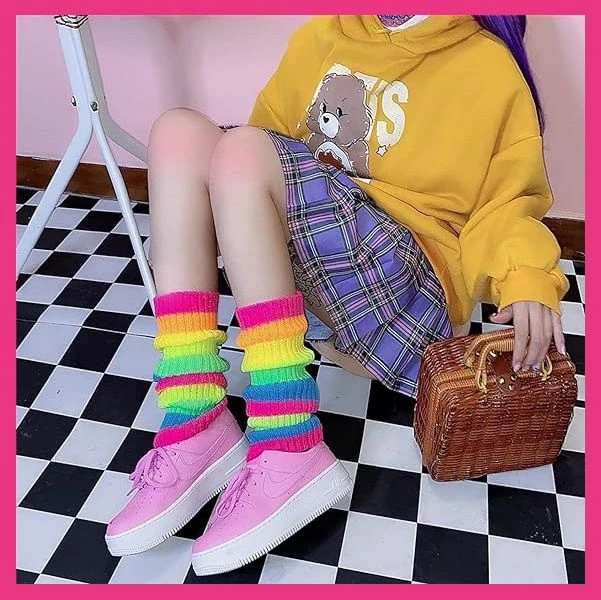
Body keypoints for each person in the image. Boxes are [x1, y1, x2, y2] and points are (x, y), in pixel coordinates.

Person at [105, 15, 568, 576]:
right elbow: (259, 158)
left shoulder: (487, 66)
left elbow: (507, 203)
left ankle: (288, 439)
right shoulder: (324, 34)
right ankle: (195, 414)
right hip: (325, 294)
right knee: (178, 133)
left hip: (410, 297)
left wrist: (526, 277)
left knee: (243, 150)